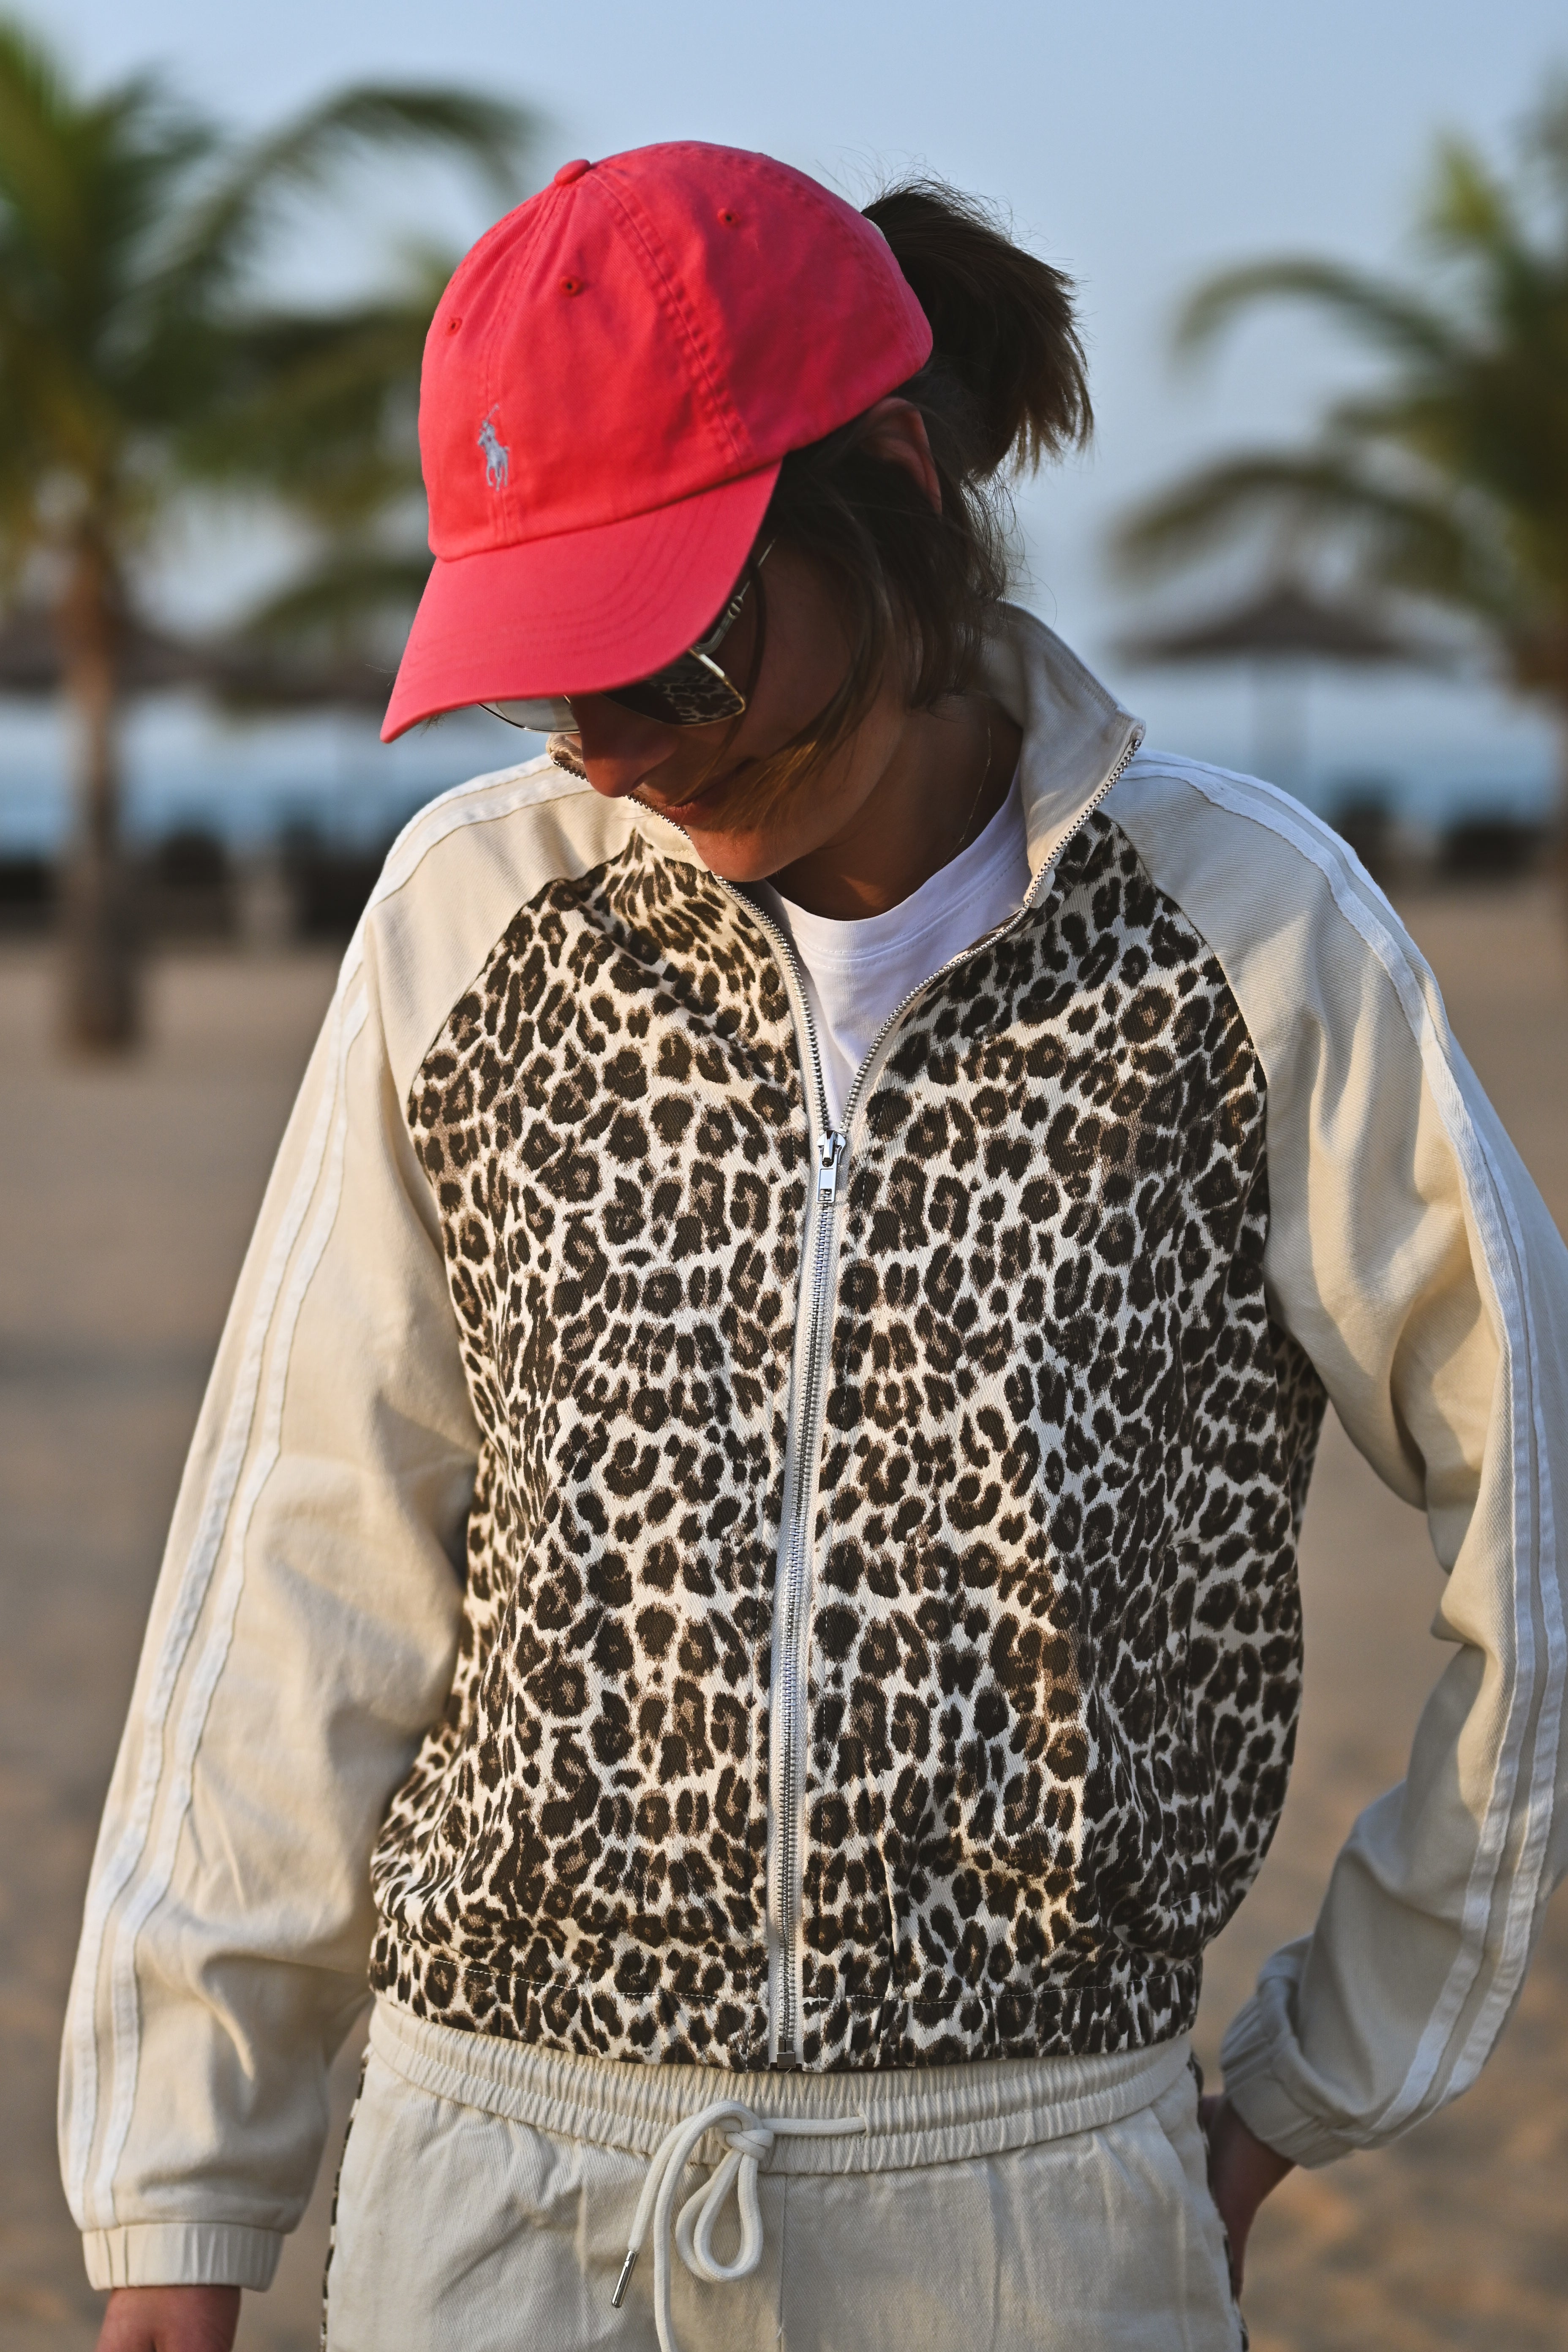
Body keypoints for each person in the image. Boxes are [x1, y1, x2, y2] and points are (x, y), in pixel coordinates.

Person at [65, 142, 1568, 2352]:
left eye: (666, 652)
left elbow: (1534, 1513)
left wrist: (1311, 2076)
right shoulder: (472, 924)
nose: (605, 751)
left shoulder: (1247, 944)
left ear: (896, 494)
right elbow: (304, 1553)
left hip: (1032, 2220)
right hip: (500, 2207)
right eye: (543, 672)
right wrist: (181, 2205)